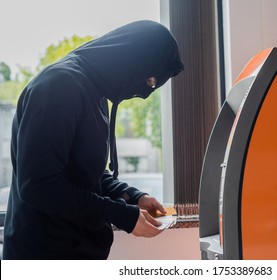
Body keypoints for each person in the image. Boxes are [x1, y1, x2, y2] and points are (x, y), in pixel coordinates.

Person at [3, 20, 184, 259]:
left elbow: (87, 173)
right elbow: (39, 185)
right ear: (132, 57)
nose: (144, 93)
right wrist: (122, 215)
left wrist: (133, 197)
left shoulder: (95, 94)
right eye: (150, 79)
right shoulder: (59, 86)